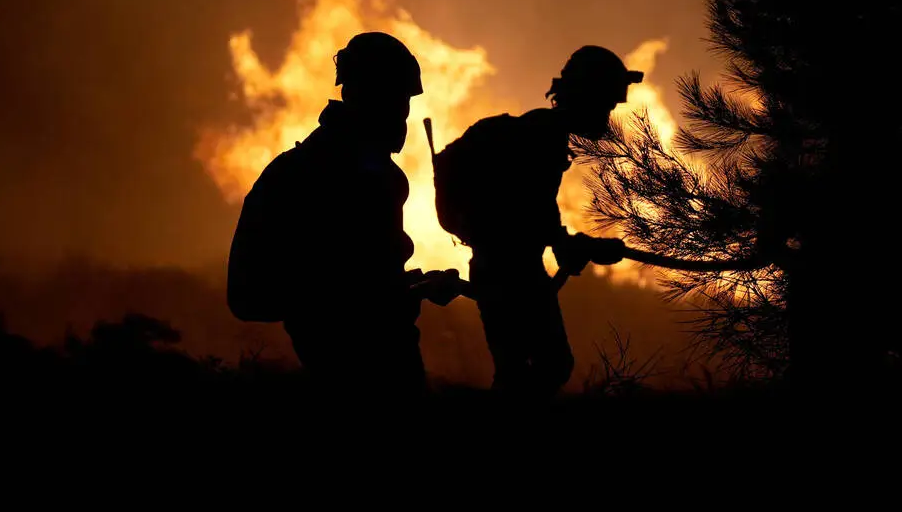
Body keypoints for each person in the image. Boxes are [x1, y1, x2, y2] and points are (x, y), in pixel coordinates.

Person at [228, 31, 460, 398]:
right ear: (365, 95)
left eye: (404, 100)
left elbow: (368, 275)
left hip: (363, 345)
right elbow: (341, 285)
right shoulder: (336, 174)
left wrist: (416, 286)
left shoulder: (353, 170)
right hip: (357, 358)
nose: (403, 112)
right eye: (396, 97)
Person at [433, 45, 642, 398]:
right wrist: (570, 245)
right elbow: (528, 207)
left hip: (502, 266)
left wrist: (572, 244)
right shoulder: (542, 136)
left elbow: (533, 212)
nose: (607, 116)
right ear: (586, 96)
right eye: (606, 104)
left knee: (522, 369)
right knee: (546, 367)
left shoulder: (541, 132)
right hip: (509, 271)